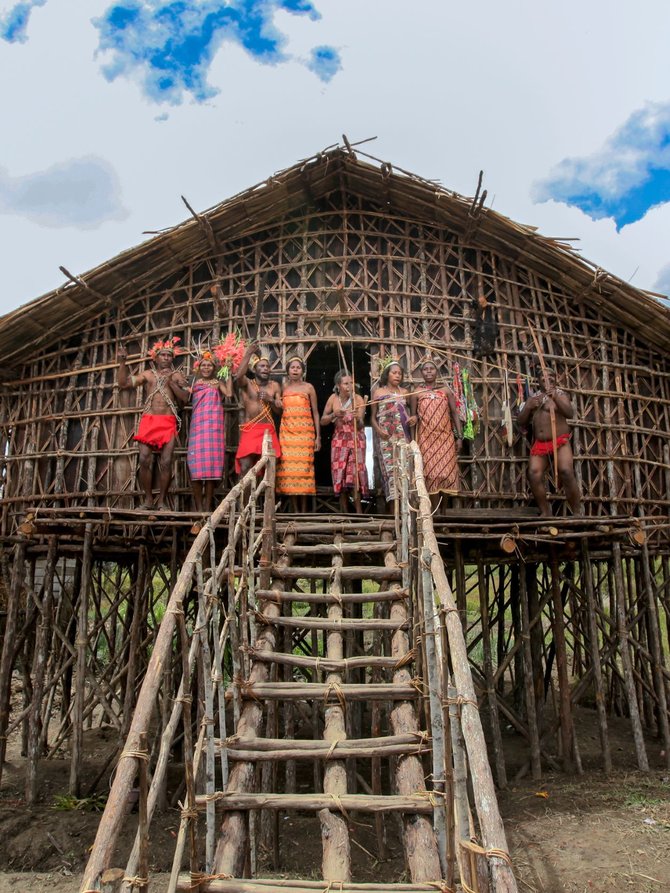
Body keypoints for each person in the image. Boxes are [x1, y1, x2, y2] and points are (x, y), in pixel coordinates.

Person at [118, 337, 189, 510]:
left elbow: (185, 399)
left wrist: (172, 383)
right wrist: (122, 362)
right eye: (162, 355)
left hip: (168, 421)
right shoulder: (148, 375)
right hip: (149, 421)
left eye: (169, 355)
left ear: (172, 359)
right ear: (155, 358)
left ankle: (162, 501)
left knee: (166, 462)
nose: (165, 358)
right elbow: (124, 383)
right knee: (143, 459)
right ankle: (148, 500)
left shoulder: (177, 375)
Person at [517, 367, 582, 517]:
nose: (548, 378)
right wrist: (527, 407)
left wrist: (556, 398)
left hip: (559, 441)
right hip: (540, 444)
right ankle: (546, 511)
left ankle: (577, 512)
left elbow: (569, 413)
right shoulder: (533, 398)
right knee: (533, 473)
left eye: (551, 375)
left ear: (556, 378)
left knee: (566, 471)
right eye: (544, 376)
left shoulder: (560, 394)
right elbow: (521, 422)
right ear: (538, 380)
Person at [410, 359, 463, 510]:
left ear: (436, 372)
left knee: (445, 474)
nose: (428, 371)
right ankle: (434, 513)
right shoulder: (416, 392)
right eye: (425, 369)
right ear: (421, 373)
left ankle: (444, 512)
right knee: (432, 475)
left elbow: (454, 414)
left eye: (431, 369)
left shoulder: (446, 391)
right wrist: (414, 442)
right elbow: (413, 417)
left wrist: (459, 437)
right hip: (426, 439)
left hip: (445, 438)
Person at [186, 348, 232, 515]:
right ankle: (198, 508)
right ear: (199, 367)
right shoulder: (193, 383)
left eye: (209, 365)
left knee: (212, 467)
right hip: (198, 428)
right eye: (203, 365)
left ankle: (207, 508)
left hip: (214, 428)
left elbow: (230, 393)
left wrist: (229, 373)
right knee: (196, 467)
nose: (206, 368)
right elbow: (185, 397)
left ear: (214, 368)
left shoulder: (217, 383)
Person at [321, 369, 369, 513]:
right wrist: (334, 415)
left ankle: (359, 514)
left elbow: (361, 425)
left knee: (355, 474)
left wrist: (357, 418)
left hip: (356, 439)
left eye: (351, 383)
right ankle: (345, 513)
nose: (349, 386)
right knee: (340, 473)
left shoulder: (358, 399)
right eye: (346, 383)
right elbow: (323, 420)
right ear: (338, 385)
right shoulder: (333, 399)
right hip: (339, 440)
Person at [277, 356, 320, 513]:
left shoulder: (309, 388)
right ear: (288, 370)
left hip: (305, 435)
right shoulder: (283, 388)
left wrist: (318, 437)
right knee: (290, 473)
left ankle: (303, 512)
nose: (295, 370)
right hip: (287, 435)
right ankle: (295, 511)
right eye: (292, 367)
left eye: (298, 367)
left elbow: (315, 412)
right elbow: (278, 407)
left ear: (303, 371)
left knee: (304, 472)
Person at [233, 342, 282, 475]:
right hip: (251, 429)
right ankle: (246, 496)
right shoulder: (247, 384)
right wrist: (248, 353)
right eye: (262, 366)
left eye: (267, 366)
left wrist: (271, 400)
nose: (266, 368)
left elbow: (279, 411)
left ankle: (265, 497)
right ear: (254, 369)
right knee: (245, 467)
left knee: (269, 468)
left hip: (268, 430)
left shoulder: (275, 386)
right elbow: (238, 377)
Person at [370, 359, 413, 504]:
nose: (397, 376)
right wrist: (379, 431)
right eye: (394, 373)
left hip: (402, 437)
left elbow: (413, 415)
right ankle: (393, 508)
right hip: (386, 438)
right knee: (389, 471)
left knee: (404, 469)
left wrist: (414, 418)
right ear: (386, 375)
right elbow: (372, 418)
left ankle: (405, 507)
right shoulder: (378, 392)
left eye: (400, 373)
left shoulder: (405, 393)